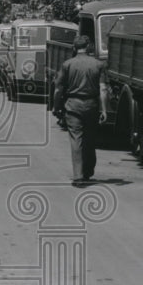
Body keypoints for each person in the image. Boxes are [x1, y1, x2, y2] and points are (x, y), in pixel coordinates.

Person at [53, 34, 108, 185]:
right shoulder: (98, 65)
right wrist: (104, 110)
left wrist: (56, 106)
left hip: (73, 106)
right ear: (89, 47)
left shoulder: (67, 64)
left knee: (76, 139)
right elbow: (103, 89)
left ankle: (78, 175)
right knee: (90, 139)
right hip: (91, 106)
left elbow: (58, 89)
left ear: (74, 48)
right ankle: (88, 171)